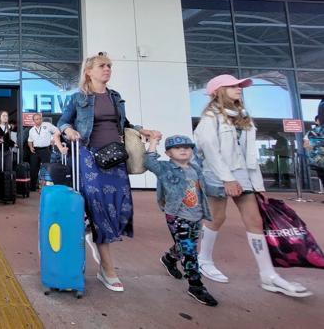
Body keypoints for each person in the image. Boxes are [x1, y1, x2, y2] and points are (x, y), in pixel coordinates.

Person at [194, 74, 311, 298]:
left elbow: (249, 153)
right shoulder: (211, 117)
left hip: (243, 174)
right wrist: (227, 178)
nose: (239, 89)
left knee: (255, 221)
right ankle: (204, 259)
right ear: (219, 90)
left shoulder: (244, 117)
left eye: (240, 86)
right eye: (233, 86)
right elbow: (210, 151)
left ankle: (268, 275)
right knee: (216, 218)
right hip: (217, 173)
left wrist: (257, 183)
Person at [58, 52, 161, 292]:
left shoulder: (116, 97)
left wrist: (141, 130)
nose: (107, 69)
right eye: (102, 66)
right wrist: (68, 130)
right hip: (89, 157)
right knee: (99, 208)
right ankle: (108, 268)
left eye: (109, 66)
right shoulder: (78, 98)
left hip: (115, 157)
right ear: (89, 71)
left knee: (119, 205)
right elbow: (63, 121)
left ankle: (95, 237)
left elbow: (122, 124)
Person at [145, 135, 218, 306]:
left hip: (197, 215)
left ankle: (169, 259)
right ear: (168, 153)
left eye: (187, 147)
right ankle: (196, 286)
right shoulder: (164, 168)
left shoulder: (196, 169)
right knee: (189, 251)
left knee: (185, 245)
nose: (184, 150)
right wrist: (153, 141)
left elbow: (205, 187)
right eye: (178, 148)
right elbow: (149, 161)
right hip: (177, 215)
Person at [27, 113, 65, 190]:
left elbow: (57, 131)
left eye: (40, 118)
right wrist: (31, 147)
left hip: (45, 149)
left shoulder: (47, 125)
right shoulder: (31, 130)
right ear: (34, 121)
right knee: (34, 168)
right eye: (37, 119)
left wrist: (54, 139)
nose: (39, 120)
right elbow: (29, 140)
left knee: (46, 168)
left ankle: (46, 186)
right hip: (35, 150)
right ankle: (33, 187)